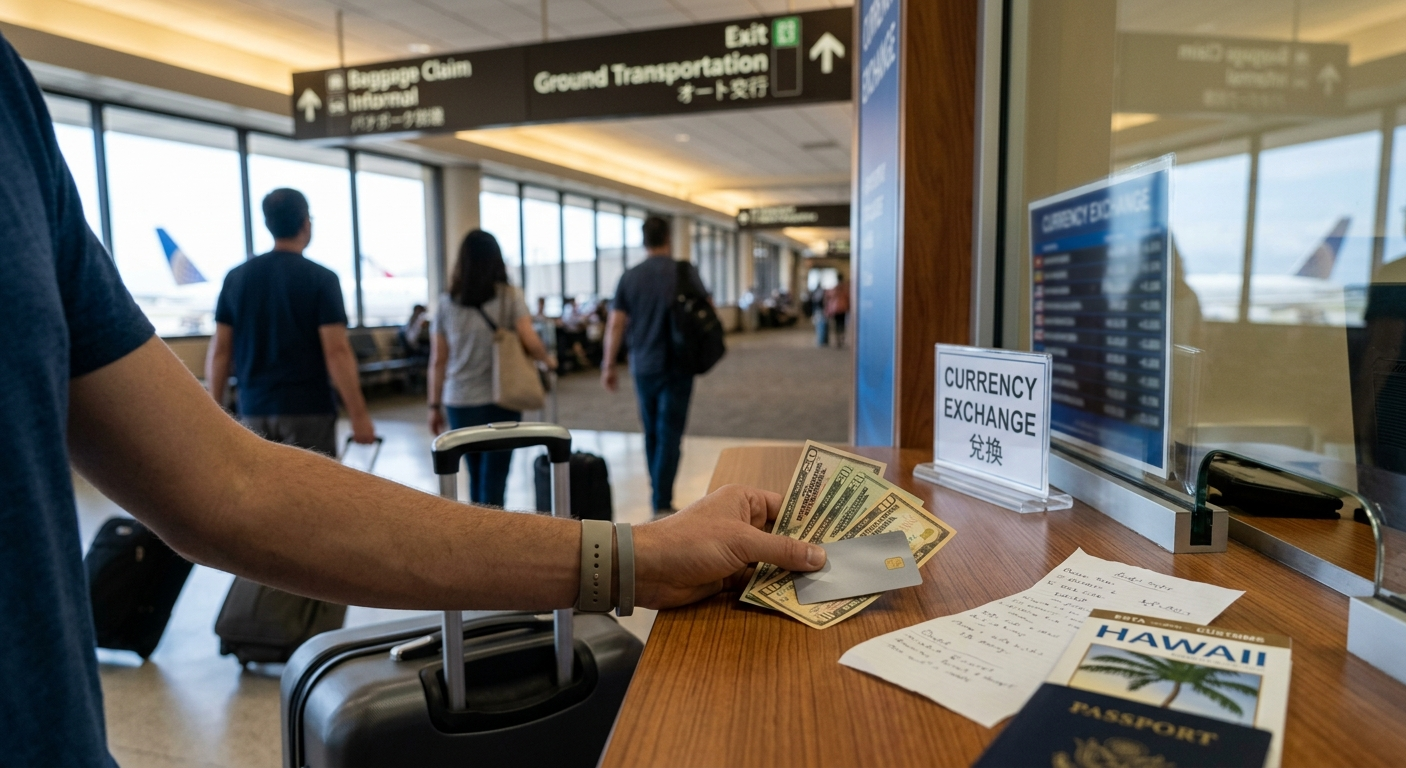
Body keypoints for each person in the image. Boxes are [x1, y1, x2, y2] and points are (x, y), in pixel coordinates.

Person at [0, 36, 825, 766]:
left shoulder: (17, 111)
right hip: (343, 405)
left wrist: (637, 557)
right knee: (561, 460)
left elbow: (227, 481)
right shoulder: (339, 281)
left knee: (479, 484)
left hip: (274, 414)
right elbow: (274, 428)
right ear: (308, 222)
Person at [206, 188, 375, 456]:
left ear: (267, 224)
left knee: (261, 495)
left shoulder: (236, 278)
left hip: (253, 411)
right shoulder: (322, 279)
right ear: (306, 223)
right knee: (312, 494)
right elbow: (337, 351)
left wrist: (214, 415)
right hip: (309, 411)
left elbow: (221, 352)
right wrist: (359, 414)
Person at [427, 230, 555, 506]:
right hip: (502, 398)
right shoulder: (510, 297)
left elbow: (438, 359)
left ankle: (477, 535)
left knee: (474, 474)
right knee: (496, 475)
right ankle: (493, 538)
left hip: (459, 400)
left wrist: (433, 406)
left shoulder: (446, 303)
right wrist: (547, 359)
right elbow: (528, 337)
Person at [601, 215, 710, 515]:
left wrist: (608, 365)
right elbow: (706, 311)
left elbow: (615, 324)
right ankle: (661, 499)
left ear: (643, 240)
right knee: (670, 432)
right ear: (668, 239)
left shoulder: (630, 277)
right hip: (679, 364)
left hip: (643, 364)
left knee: (651, 430)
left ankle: (657, 491)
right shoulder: (684, 273)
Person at [826, 275, 850, 349]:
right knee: (842, 324)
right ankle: (841, 338)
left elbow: (829, 297)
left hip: (836, 309)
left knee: (837, 324)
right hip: (843, 308)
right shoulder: (845, 288)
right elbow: (848, 298)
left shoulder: (834, 288)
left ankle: (838, 340)